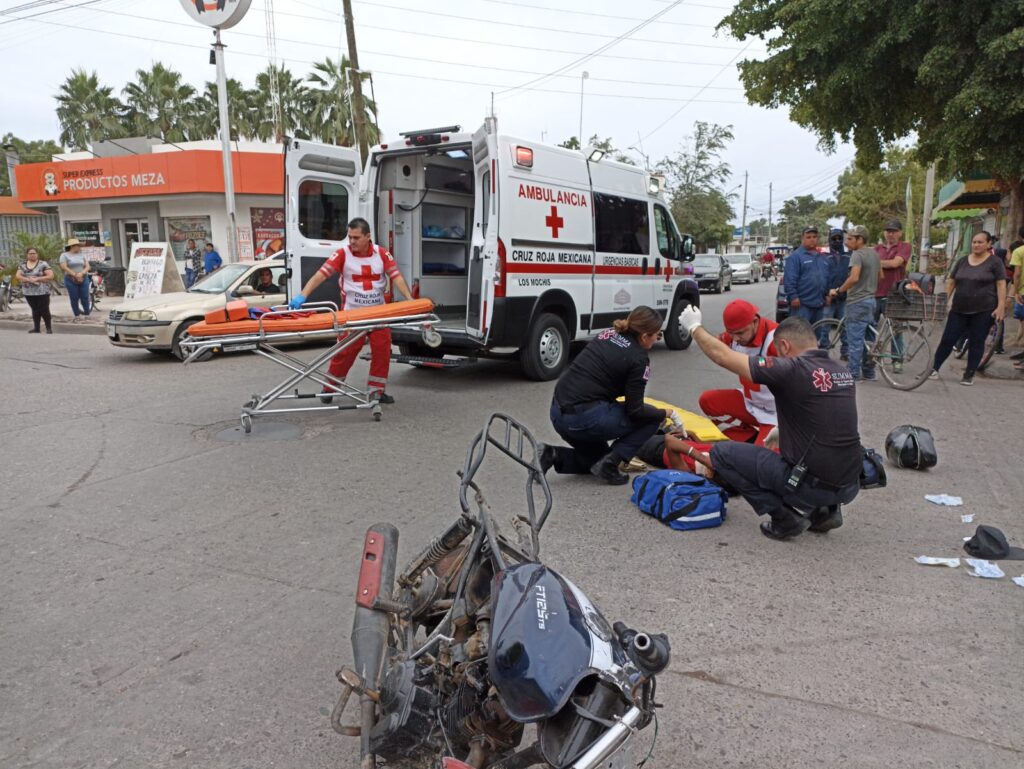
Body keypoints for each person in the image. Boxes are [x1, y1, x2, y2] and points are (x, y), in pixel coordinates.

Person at [678, 307, 862, 540]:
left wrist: (694, 327)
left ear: (784, 346)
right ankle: (826, 511)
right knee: (824, 453)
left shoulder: (793, 369)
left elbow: (723, 356)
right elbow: (825, 419)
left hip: (808, 483)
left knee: (722, 454)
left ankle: (784, 519)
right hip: (848, 485)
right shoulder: (841, 372)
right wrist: (782, 429)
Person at [539, 306, 675, 486]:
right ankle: (611, 464)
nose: (657, 339)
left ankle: (552, 455)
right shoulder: (639, 359)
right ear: (644, 336)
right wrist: (665, 413)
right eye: (657, 335)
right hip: (583, 419)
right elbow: (636, 411)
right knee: (651, 419)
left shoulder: (608, 334)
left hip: (558, 413)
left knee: (598, 460)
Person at [289, 217, 413, 403]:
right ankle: (330, 388)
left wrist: (410, 300)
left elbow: (396, 277)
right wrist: (302, 296)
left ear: (368, 237)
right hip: (352, 314)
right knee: (344, 353)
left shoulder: (381, 254)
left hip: (377, 313)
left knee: (382, 351)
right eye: (350, 237)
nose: (352, 241)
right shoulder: (342, 254)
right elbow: (320, 276)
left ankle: (376, 392)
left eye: (356, 237)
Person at [698, 299, 779, 446]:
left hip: (775, 413)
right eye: (731, 333)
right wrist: (695, 327)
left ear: (755, 321)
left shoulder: (776, 340)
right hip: (751, 402)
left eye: (740, 333)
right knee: (707, 401)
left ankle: (767, 434)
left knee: (760, 461)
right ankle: (749, 432)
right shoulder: (735, 335)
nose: (735, 338)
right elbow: (714, 347)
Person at [930, 231, 1006, 385]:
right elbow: (952, 281)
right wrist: (944, 300)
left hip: (983, 310)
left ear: (988, 244)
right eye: (974, 242)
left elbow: (1001, 284)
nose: (976, 245)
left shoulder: (995, 262)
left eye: (980, 242)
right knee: (947, 339)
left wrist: (1001, 306)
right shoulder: (962, 261)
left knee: (976, 342)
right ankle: (934, 368)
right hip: (959, 308)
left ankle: (969, 374)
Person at [830, 225, 880, 381]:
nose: (846, 242)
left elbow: (854, 278)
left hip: (857, 301)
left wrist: (839, 290)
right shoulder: (874, 254)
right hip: (871, 300)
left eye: (850, 239)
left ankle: (852, 373)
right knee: (868, 340)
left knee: (855, 340)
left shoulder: (857, 255)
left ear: (860, 240)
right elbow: (881, 275)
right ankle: (869, 372)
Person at [784, 226, 830, 326]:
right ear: (802, 239)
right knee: (800, 335)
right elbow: (789, 279)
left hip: (819, 303)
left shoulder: (822, 257)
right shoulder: (795, 257)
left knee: (816, 336)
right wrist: (793, 297)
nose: (812, 239)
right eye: (808, 237)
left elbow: (826, 277)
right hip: (802, 305)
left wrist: (827, 295)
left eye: (814, 236)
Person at [823, 228, 849, 358]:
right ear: (830, 239)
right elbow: (822, 277)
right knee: (825, 326)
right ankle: (823, 352)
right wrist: (826, 293)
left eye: (839, 238)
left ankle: (845, 352)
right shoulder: (824, 256)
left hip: (844, 297)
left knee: (845, 326)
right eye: (834, 238)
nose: (837, 241)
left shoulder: (848, 255)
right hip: (829, 297)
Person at [16, 246, 55, 334]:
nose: (32, 255)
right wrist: (28, 279)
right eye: (30, 253)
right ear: (27, 255)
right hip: (28, 292)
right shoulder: (22, 264)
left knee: (44, 309)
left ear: (37, 254)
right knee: (35, 309)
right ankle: (36, 328)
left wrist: (37, 279)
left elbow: (51, 275)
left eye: (34, 253)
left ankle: (48, 328)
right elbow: (18, 276)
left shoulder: (43, 264)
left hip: (42, 291)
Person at [59, 238, 91, 321]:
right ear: (72, 246)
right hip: (70, 278)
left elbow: (87, 266)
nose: (79, 247)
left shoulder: (82, 255)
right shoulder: (64, 255)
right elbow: (64, 266)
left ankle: (87, 314)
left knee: (85, 296)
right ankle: (77, 315)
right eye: (78, 246)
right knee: (74, 297)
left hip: (83, 277)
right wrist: (75, 274)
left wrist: (82, 273)